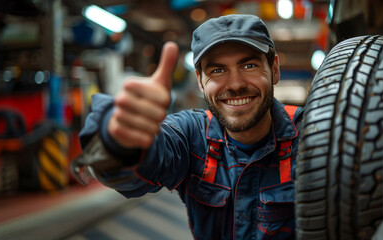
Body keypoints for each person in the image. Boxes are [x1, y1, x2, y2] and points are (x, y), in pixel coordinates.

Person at [75, 14, 303, 240]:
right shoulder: (192, 135)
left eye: (249, 65)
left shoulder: (312, 133)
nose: (235, 84)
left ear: (273, 69)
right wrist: (121, 142)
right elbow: (144, 164)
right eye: (217, 70)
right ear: (200, 82)